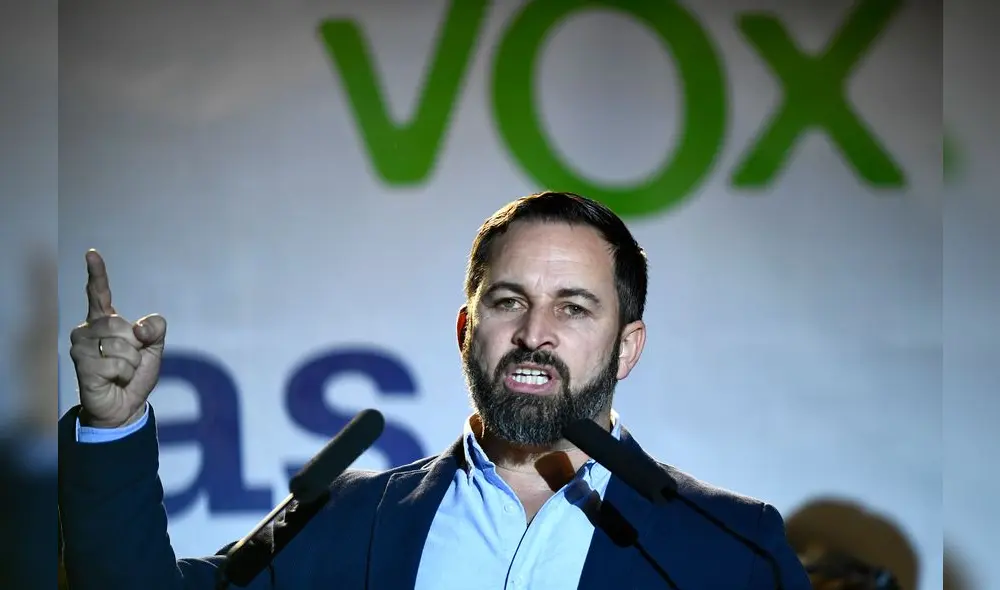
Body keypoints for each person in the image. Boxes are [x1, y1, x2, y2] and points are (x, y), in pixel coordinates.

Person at [58, 192, 811, 589]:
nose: (533, 332)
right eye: (509, 301)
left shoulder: (730, 548)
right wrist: (113, 428)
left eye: (574, 307)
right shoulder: (341, 519)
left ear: (629, 346)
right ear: (465, 329)